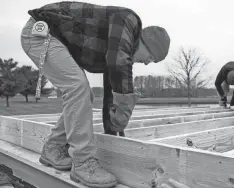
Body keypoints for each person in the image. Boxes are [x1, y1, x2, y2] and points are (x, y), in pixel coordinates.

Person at [20, 1, 170, 188]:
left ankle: (54, 147)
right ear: (147, 43)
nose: (147, 63)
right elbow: (118, 67)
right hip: (41, 33)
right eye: (150, 58)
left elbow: (111, 93)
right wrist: (125, 108)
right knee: (77, 87)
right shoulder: (128, 21)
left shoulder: (118, 51)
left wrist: (115, 132)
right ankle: (83, 163)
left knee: (85, 96)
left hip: (53, 38)